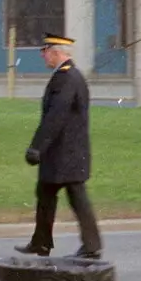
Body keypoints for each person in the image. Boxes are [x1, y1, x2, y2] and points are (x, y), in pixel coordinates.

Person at [16, 33, 102, 258]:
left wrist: (36, 147)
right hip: (63, 153)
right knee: (45, 193)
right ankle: (41, 242)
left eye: (45, 52)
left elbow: (56, 115)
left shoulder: (67, 78)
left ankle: (92, 246)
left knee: (76, 198)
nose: (43, 56)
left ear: (56, 53)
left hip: (66, 154)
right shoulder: (67, 76)